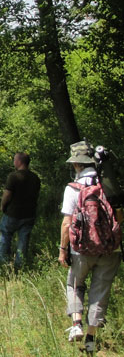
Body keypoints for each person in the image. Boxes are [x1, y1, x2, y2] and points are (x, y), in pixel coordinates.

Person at [58, 141, 122, 353]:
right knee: (100, 292)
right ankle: (91, 339)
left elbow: (67, 223)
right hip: (111, 249)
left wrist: (63, 249)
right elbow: (119, 216)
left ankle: (76, 325)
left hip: (81, 250)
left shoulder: (73, 188)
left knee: (74, 284)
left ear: (76, 164)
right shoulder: (109, 185)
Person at [0, 152, 41, 269]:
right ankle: (20, 264)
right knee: (23, 240)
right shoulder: (35, 178)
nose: (13, 162)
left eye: (14, 160)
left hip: (13, 212)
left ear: (19, 162)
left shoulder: (13, 176)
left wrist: (2, 206)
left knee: (5, 236)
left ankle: (3, 263)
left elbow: (7, 195)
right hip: (29, 213)